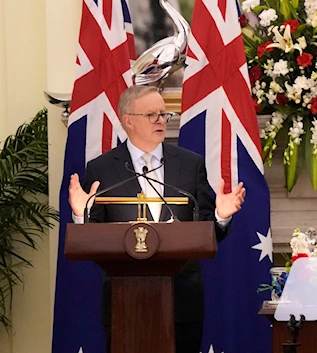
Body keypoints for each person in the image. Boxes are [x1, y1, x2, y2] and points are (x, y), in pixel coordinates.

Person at [68, 85, 246, 353]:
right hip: (124, 303)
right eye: (152, 115)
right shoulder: (102, 168)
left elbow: (208, 233)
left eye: (164, 114)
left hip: (182, 302)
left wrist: (220, 216)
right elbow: (93, 240)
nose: (161, 120)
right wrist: (81, 216)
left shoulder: (190, 164)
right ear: (128, 120)